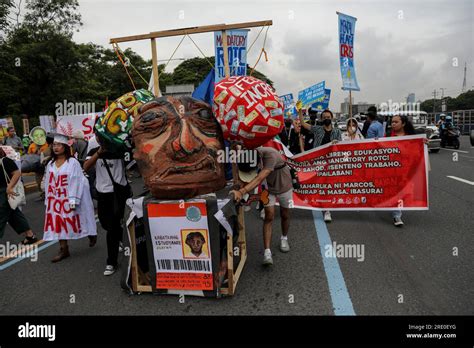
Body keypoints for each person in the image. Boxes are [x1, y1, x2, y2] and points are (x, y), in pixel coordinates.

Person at [231, 147, 293, 266]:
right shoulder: (250, 155)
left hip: (285, 187)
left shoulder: (270, 155)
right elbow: (247, 175)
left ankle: (284, 238)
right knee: (269, 216)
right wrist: (238, 187)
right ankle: (267, 252)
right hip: (268, 189)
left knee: (285, 215)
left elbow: (259, 178)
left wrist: (242, 191)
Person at [43, 134, 97, 262]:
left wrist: (73, 199)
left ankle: (90, 232)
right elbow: (48, 182)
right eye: (54, 145)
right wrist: (48, 198)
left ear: (65, 147)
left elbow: (75, 181)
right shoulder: (50, 164)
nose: (56, 148)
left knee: (79, 216)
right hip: (57, 199)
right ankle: (64, 249)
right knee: (58, 220)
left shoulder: (73, 163)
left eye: (59, 145)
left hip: (73, 195)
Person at [84, 134, 129, 276]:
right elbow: (85, 167)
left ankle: (111, 262)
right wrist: (99, 153)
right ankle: (125, 240)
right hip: (103, 194)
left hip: (117, 193)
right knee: (105, 223)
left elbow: (133, 163)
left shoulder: (121, 149)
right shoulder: (94, 151)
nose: (99, 137)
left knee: (112, 227)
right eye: (97, 135)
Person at [298, 102, 341, 222]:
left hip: (331, 162)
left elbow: (341, 146)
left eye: (328, 117)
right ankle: (315, 202)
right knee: (319, 185)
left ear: (332, 118)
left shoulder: (337, 131)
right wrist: (300, 111)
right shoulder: (317, 129)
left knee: (328, 186)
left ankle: (327, 210)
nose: (327, 119)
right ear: (321, 119)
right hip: (318, 162)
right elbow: (303, 124)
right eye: (324, 117)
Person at [387, 115, 422, 227]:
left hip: (406, 169)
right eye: (392, 122)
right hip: (391, 169)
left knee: (401, 192)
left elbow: (417, 151)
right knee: (394, 191)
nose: (393, 124)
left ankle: (396, 213)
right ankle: (396, 213)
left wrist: (423, 143)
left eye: (396, 122)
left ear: (403, 124)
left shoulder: (411, 137)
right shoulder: (387, 136)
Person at [0, 147, 37, 244]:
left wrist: (9, 187)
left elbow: (17, 173)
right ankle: (30, 236)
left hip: (5, 192)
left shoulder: (5, 161)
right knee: (14, 214)